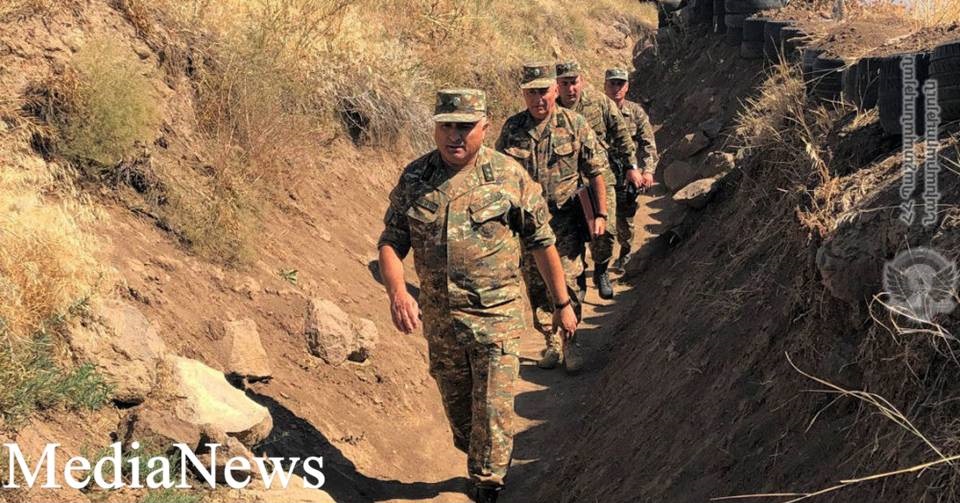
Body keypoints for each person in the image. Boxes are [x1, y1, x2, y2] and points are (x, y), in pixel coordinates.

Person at [378, 88, 579, 502]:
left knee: (492, 412)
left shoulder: (508, 177)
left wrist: (562, 304)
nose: (455, 135)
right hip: (443, 324)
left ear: (484, 128)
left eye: (465, 127)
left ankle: (488, 482)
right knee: (464, 423)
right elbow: (391, 242)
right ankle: (482, 458)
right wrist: (398, 293)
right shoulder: (415, 178)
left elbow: (542, 243)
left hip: (496, 318)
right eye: (447, 125)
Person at [495, 62, 608, 373]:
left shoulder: (575, 124)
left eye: (543, 91)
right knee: (537, 285)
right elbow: (499, 177)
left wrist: (601, 214)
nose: (538, 99)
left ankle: (570, 340)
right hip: (527, 226)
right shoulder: (512, 129)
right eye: (531, 92)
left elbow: (595, 172)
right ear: (523, 94)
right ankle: (551, 340)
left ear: (555, 90)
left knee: (570, 282)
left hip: (565, 223)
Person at [555, 60, 637, 300]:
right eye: (564, 83)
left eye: (574, 82)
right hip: (565, 182)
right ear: (556, 85)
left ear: (581, 81)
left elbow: (621, 134)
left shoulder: (599, 102)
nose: (570, 89)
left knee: (605, 231)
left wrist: (631, 167)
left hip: (600, 177)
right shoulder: (550, 108)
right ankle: (577, 279)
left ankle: (601, 270)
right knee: (571, 235)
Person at [603, 67, 658, 270]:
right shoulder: (596, 111)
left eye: (621, 83)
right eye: (612, 83)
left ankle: (625, 254)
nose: (616, 88)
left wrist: (648, 171)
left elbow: (648, 144)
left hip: (627, 176)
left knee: (625, 220)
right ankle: (601, 264)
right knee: (601, 220)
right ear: (605, 85)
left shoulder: (635, 112)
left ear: (626, 87)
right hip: (600, 174)